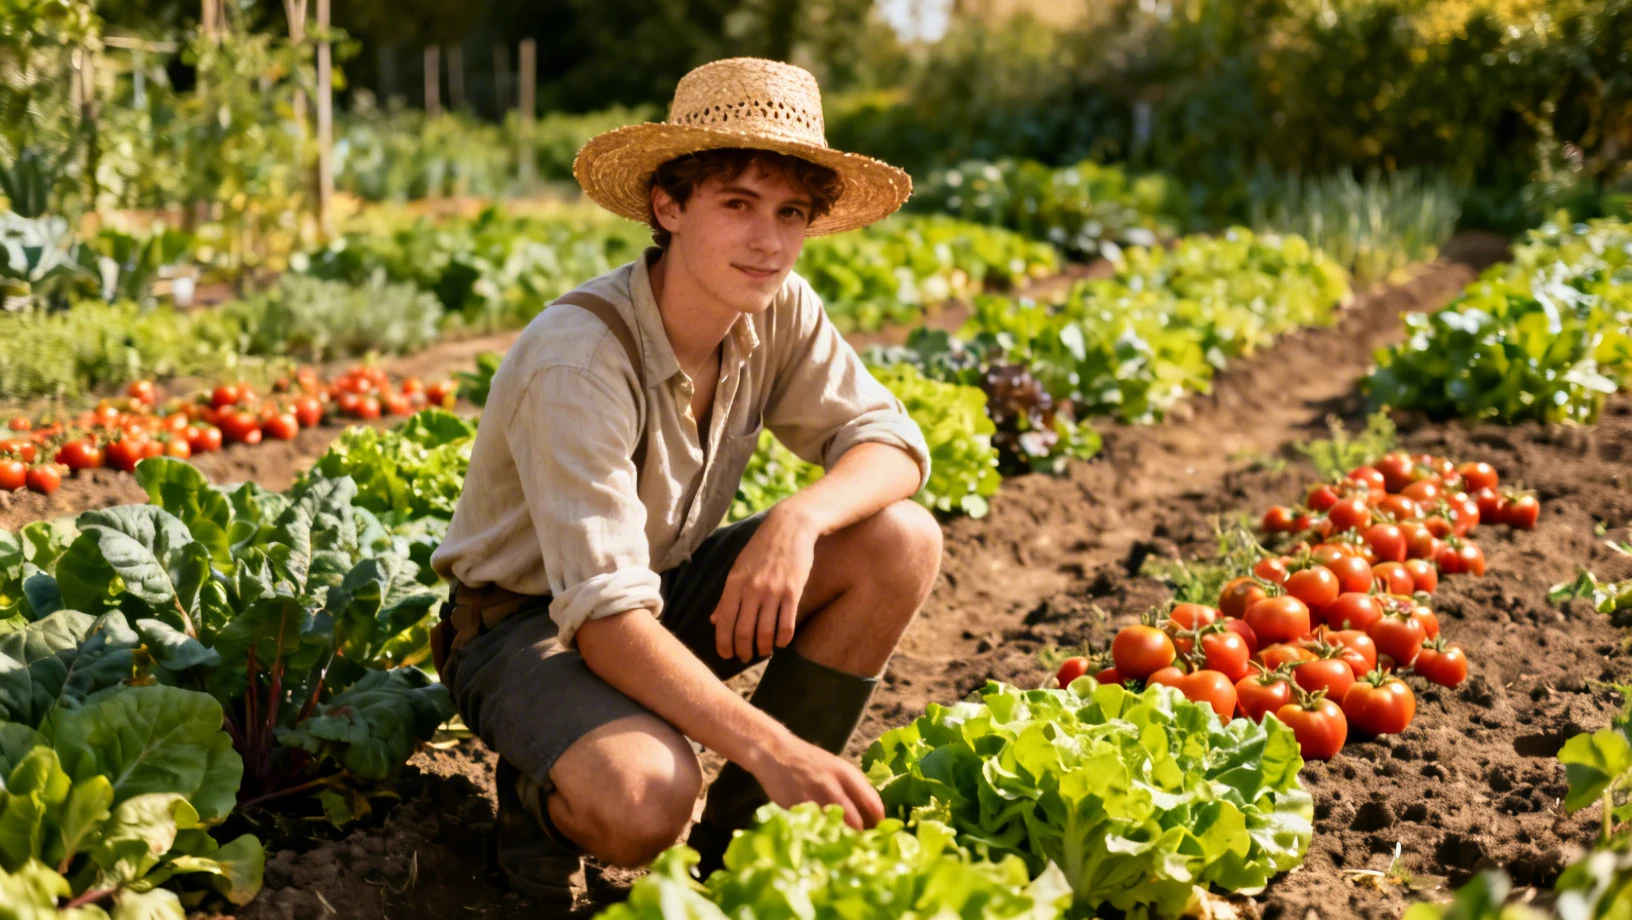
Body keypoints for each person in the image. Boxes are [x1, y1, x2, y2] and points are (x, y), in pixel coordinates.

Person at [427, 57, 942, 902]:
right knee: (646, 799)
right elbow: (599, 617)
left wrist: (798, 521)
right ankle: (537, 803)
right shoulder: (579, 360)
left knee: (899, 541)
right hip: (525, 630)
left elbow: (892, 444)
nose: (768, 241)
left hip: (654, 596)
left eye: (790, 214)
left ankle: (741, 853)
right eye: (736, 205)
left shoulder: (778, 308)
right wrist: (774, 745)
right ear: (669, 206)